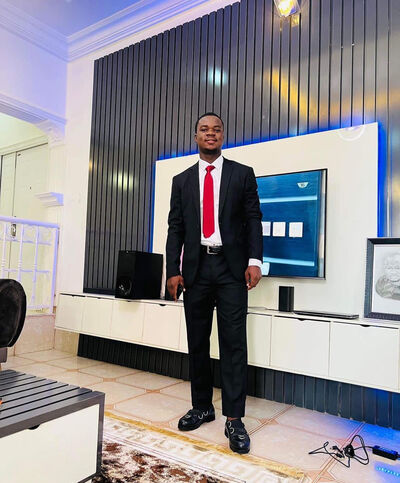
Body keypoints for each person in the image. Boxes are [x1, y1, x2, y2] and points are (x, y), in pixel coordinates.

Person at [166, 112, 263, 454]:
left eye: (216, 129)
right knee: (197, 342)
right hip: (196, 269)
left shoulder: (242, 174)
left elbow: (253, 218)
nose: (211, 133)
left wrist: (254, 261)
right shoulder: (181, 180)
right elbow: (175, 227)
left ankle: (234, 419)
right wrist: (172, 270)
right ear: (196, 136)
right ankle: (202, 406)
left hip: (231, 269)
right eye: (204, 129)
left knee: (234, 344)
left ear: (223, 136)